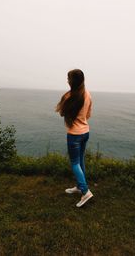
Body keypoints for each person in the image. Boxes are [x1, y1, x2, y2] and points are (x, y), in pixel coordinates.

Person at [55, 69, 93, 207]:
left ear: (72, 81)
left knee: (75, 163)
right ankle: (79, 186)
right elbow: (88, 115)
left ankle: (85, 191)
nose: (67, 80)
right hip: (85, 132)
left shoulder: (69, 96)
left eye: (68, 78)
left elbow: (61, 113)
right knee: (80, 160)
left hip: (74, 134)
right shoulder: (88, 94)